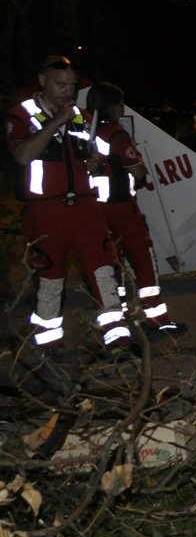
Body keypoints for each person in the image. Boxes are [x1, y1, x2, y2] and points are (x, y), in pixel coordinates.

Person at [4, 55, 128, 353]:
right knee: (50, 276)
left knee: (103, 270)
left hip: (86, 208)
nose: (67, 92)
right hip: (46, 212)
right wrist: (57, 121)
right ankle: (49, 343)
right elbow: (22, 156)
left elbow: (94, 160)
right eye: (61, 84)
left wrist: (96, 164)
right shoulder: (21, 116)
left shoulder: (82, 117)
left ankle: (118, 338)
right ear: (43, 81)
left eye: (72, 86)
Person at [84, 81, 186, 339]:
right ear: (109, 105)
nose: (122, 108)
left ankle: (119, 322)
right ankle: (157, 319)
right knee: (144, 261)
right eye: (119, 103)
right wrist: (138, 161)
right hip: (121, 208)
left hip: (94, 209)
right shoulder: (117, 135)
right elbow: (138, 172)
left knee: (110, 265)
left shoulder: (85, 131)